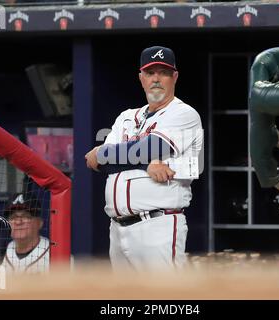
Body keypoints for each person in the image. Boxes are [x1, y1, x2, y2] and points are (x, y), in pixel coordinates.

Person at [85, 46, 203, 272]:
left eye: (163, 72)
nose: (156, 79)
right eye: (150, 73)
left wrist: (106, 153)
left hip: (158, 225)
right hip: (117, 227)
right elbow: (98, 164)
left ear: (174, 77)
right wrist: (145, 164)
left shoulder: (184, 113)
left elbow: (151, 147)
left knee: (164, 298)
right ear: (141, 78)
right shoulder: (127, 117)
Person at [1, 193, 50, 273]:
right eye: (13, 217)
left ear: (40, 223)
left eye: (26, 216)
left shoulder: (56, 255)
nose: (18, 222)